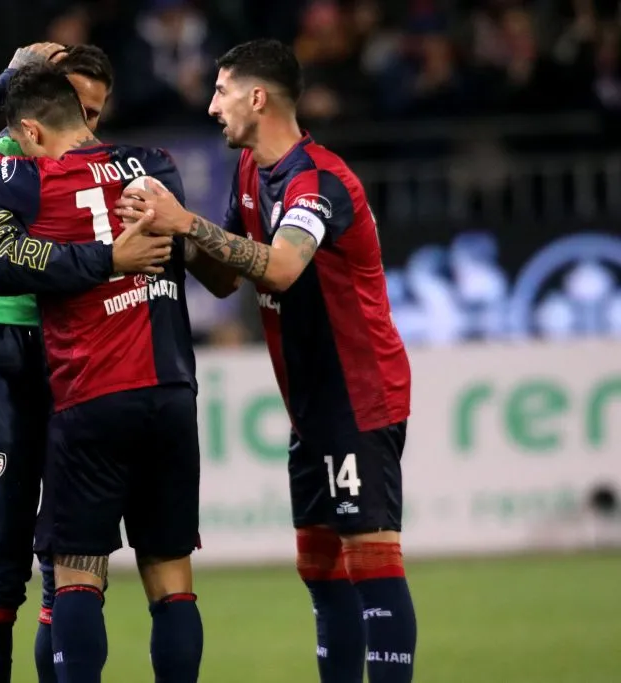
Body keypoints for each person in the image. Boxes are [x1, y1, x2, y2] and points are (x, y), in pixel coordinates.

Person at [116, 39, 417, 683]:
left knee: (369, 556)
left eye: (220, 91)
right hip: (309, 403)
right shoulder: (253, 172)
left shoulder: (318, 181)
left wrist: (188, 223)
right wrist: (170, 228)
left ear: (258, 97)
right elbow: (229, 281)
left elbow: (280, 269)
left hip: (357, 395)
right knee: (317, 564)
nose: (210, 106)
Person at [0, 59, 205, 683]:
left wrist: (4, 80)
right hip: (170, 389)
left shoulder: (27, 182)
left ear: (31, 131)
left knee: (76, 575)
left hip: (90, 393)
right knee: (170, 578)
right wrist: (119, 255)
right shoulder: (155, 165)